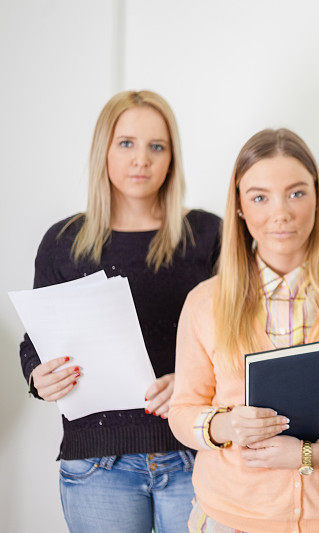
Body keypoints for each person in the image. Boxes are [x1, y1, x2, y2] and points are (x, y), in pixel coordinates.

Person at [169, 128, 319, 533]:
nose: (281, 213)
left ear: (316, 197)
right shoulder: (205, 302)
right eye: (259, 197)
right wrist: (225, 426)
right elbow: (182, 410)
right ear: (239, 207)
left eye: (296, 193)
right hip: (230, 521)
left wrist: (318, 454)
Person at [18, 90, 222, 532]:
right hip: (97, 464)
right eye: (126, 143)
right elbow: (34, 343)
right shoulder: (63, 242)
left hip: (196, 453)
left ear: (172, 157)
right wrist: (38, 376)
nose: (141, 160)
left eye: (157, 146)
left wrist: (191, 381)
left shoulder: (206, 235)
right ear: (103, 151)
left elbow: (240, 338)